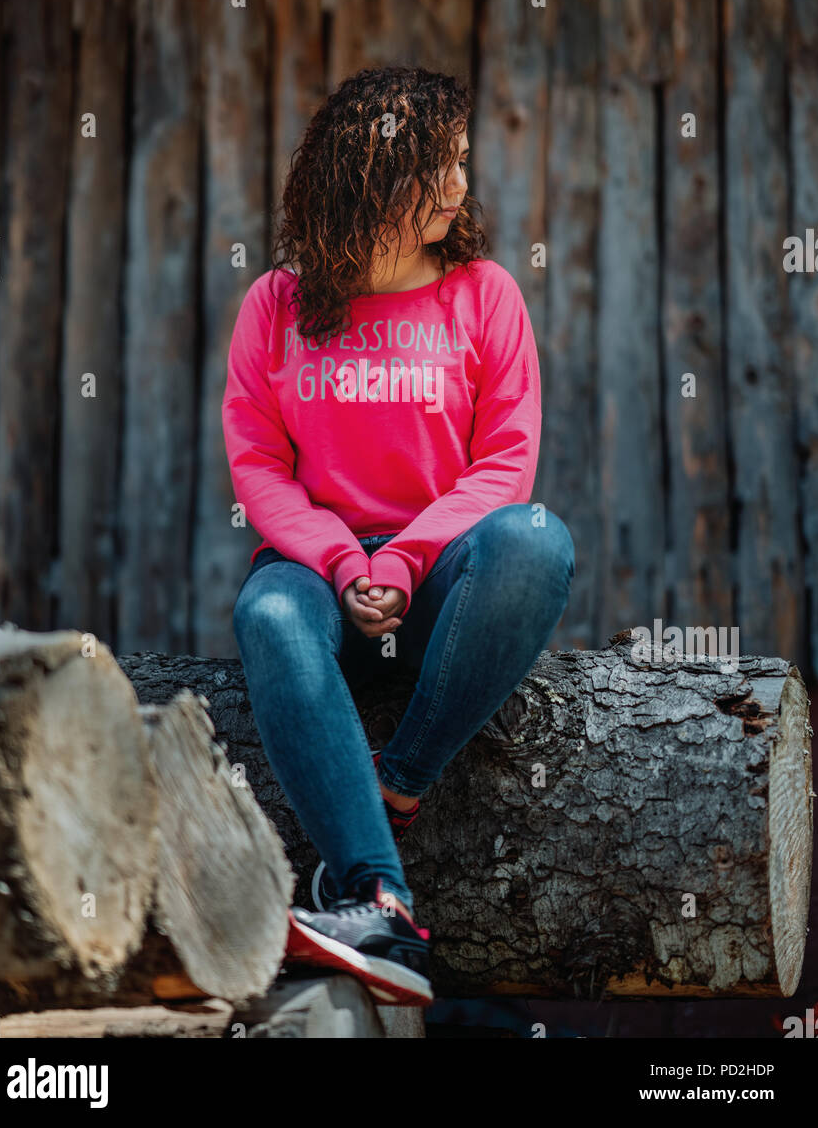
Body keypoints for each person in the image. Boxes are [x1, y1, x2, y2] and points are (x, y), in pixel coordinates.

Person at [223, 65, 575, 1007]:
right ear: (369, 175)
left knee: (535, 539)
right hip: (318, 579)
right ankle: (375, 896)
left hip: (443, 585)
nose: (461, 185)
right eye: (440, 163)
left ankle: (399, 782)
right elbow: (258, 467)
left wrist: (405, 559)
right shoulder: (274, 307)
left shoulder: (485, 295)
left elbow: (504, 464)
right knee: (265, 611)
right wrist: (342, 561)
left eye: (463, 161)